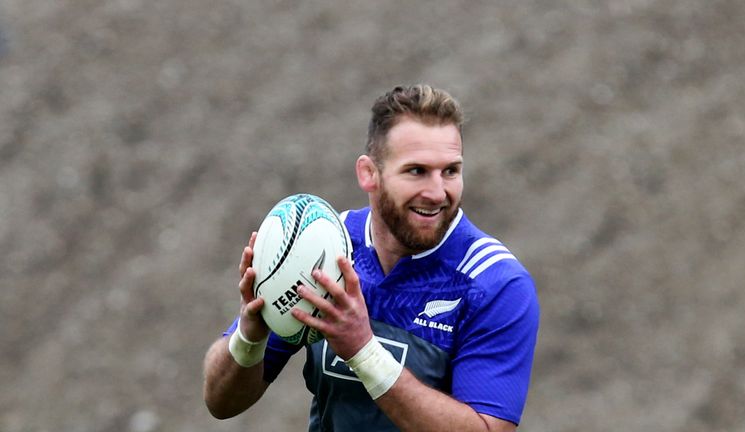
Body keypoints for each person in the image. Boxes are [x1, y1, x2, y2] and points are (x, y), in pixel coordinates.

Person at [203, 84, 540, 432]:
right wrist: (250, 334)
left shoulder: (495, 283)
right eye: (416, 171)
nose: (438, 192)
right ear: (369, 174)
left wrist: (363, 351)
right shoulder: (325, 248)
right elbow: (221, 402)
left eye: (451, 171)